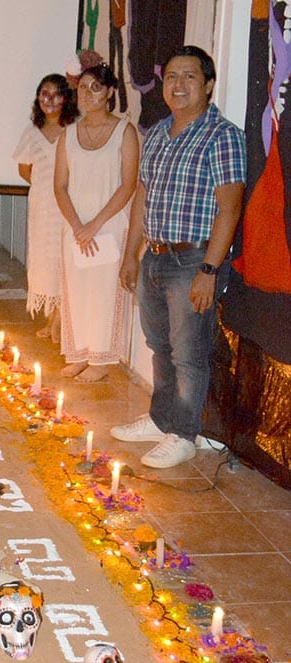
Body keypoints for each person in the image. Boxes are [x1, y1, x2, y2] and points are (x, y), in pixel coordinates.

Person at [112, 45, 246, 468]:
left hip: (193, 261)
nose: (178, 84)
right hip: (154, 256)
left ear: (208, 85)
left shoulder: (222, 136)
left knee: (188, 352)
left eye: (189, 76)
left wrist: (209, 269)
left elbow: (230, 208)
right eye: (171, 76)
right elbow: (142, 196)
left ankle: (184, 434)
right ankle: (161, 419)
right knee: (159, 346)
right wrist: (131, 254)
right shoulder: (156, 133)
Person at [54, 62, 139, 382]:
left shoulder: (124, 132)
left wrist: (95, 225)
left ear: (110, 92)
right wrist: (78, 226)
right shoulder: (68, 134)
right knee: (77, 290)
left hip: (109, 225)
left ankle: (102, 359)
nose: (88, 94)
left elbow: (128, 185)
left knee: (103, 292)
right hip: (75, 227)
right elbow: (60, 186)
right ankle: (80, 353)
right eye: (83, 87)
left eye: (96, 88)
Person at [12, 74, 79, 342]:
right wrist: (45, 188)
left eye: (56, 94)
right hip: (42, 207)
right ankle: (51, 317)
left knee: (65, 258)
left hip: (69, 205)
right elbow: (24, 169)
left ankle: (62, 320)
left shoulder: (75, 129)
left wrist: (62, 190)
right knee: (45, 259)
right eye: (44, 93)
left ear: (66, 98)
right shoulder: (32, 131)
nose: (49, 99)